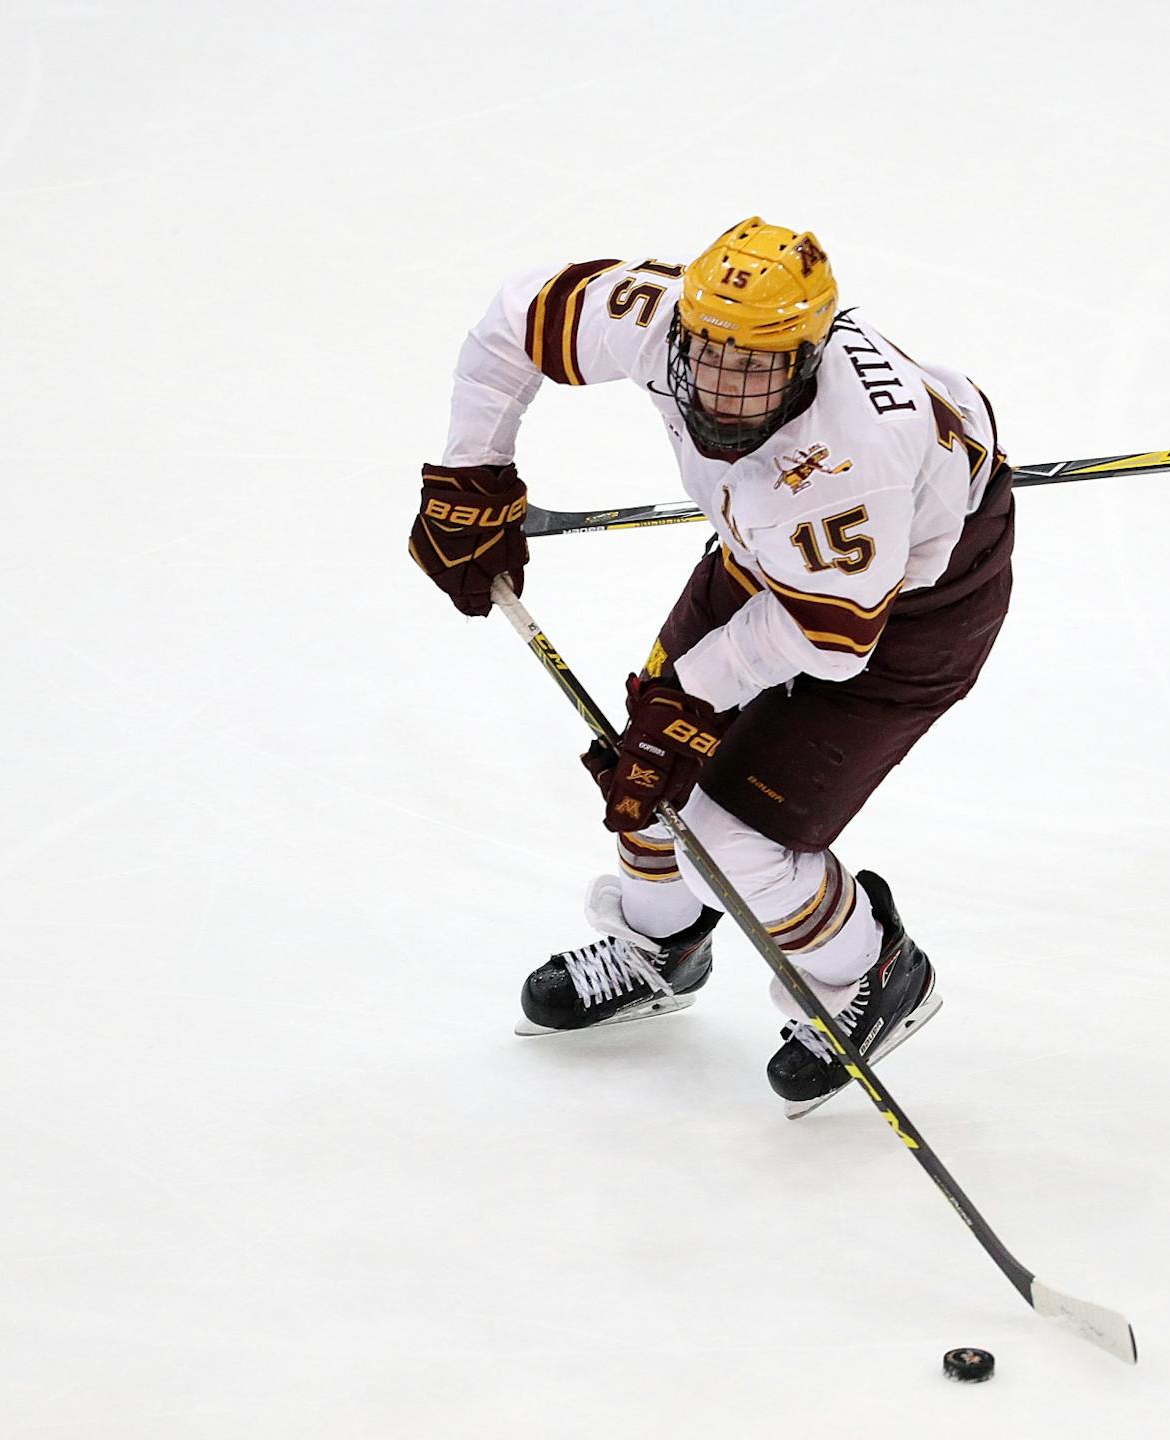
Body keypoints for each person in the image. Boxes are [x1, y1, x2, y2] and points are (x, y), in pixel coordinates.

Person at [409, 218, 1015, 1106]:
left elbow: (831, 640)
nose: (725, 391)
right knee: (643, 767)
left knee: (733, 836)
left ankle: (869, 973)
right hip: (780, 555)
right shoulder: (662, 319)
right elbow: (516, 318)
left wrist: (691, 696)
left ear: (807, 360)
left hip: (911, 611)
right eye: (712, 357)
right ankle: (661, 945)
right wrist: (470, 474)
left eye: (758, 369)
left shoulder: (848, 465)